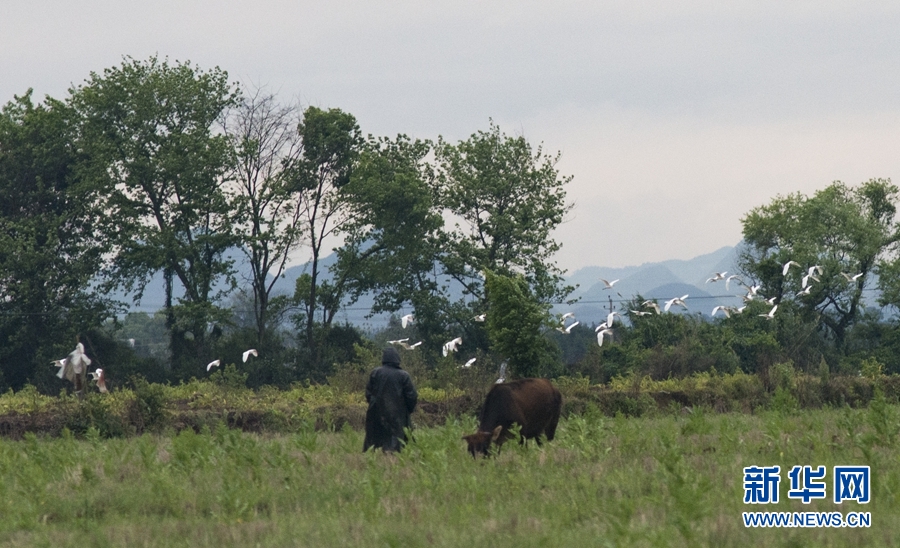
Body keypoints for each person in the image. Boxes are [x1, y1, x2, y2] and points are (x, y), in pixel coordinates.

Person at [363, 347, 418, 453]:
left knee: (374, 438)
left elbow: (368, 393)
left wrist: (374, 405)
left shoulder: (375, 373)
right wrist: (408, 410)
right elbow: (412, 396)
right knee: (395, 441)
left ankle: (374, 459)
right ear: (397, 359)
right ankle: (391, 460)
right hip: (397, 413)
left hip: (376, 412)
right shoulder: (403, 376)